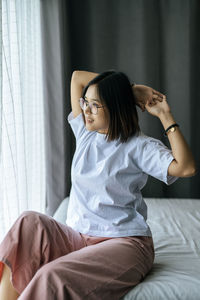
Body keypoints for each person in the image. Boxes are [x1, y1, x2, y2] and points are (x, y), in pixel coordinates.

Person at [0, 70, 196, 300]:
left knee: (51, 276)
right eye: (86, 102)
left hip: (126, 244)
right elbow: (77, 78)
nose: (85, 110)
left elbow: (186, 167)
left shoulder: (139, 146)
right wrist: (131, 90)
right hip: (80, 238)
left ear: (115, 107)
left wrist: (165, 116)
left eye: (95, 105)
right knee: (28, 222)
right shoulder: (86, 132)